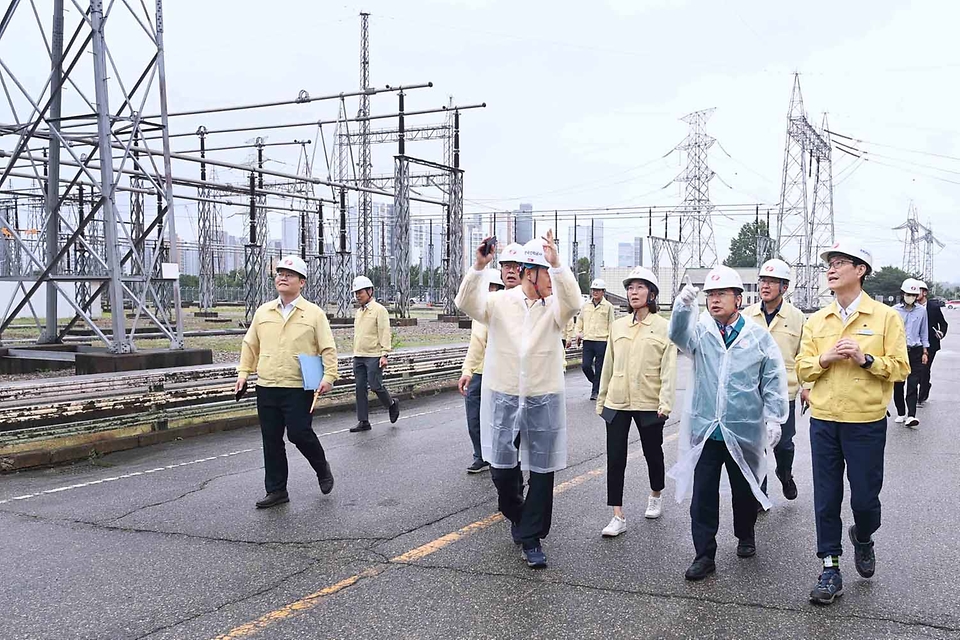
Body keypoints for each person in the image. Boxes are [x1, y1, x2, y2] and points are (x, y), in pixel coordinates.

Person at [454, 230, 580, 569]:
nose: (552, 283)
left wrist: (557, 263)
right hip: (504, 396)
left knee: (541, 469)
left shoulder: (554, 307)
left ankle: (532, 537)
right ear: (529, 274)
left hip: (543, 398)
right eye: (547, 276)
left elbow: (574, 301)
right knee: (501, 471)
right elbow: (466, 303)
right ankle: (517, 514)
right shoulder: (499, 303)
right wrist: (479, 266)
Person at [796, 240, 909, 605]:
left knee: (864, 499)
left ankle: (863, 536)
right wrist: (825, 359)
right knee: (826, 499)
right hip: (824, 420)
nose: (830, 268)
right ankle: (830, 568)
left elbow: (901, 367)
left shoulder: (886, 317)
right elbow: (801, 368)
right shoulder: (817, 320)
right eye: (828, 263)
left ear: (860, 270)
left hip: (866, 423)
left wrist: (866, 359)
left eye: (840, 262)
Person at [667, 265, 788, 581]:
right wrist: (682, 307)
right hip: (707, 429)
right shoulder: (701, 332)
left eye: (721, 294)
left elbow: (773, 378)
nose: (714, 300)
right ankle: (704, 555)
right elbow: (677, 336)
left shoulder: (758, 337)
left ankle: (745, 534)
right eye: (710, 295)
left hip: (744, 428)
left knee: (744, 489)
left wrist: (775, 418)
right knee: (703, 496)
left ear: (738, 298)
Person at [236, 256, 339, 509]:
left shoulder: (314, 314)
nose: (282, 277)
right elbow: (250, 344)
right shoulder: (263, 312)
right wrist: (243, 373)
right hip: (268, 384)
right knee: (271, 439)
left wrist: (329, 377)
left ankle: (321, 467)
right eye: (280, 273)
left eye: (289, 274)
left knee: (298, 433)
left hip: (299, 385)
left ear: (301, 282)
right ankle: (277, 490)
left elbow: (328, 348)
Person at [595, 266, 677, 536]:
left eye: (640, 287)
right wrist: (602, 399)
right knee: (615, 458)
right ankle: (617, 515)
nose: (633, 292)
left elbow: (669, 369)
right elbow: (608, 364)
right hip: (618, 400)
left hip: (649, 401)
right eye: (630, 288)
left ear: (652, 294)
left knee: (653, 452)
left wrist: (665, 402)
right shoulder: (617, 326)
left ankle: (656, 493)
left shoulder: (665, 328)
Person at [743, 258, 809, 501]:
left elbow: (805, 354)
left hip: (785, 392)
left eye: (772, 282)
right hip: (752, 392)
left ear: (784, 287)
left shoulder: (797, 317)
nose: (765, 286)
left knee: (783, 444)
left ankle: (785, 473)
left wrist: (807, 387)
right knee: (755, 445)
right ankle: (760, 494)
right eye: (763, 281)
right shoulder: (747, 316)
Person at [457, 266, 508, 474]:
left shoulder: (507, 311)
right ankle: (480, 455)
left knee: (499, 418)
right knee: (474, 416)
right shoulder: (479, 312)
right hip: (478, 372)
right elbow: (476, 343)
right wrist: (467, 370)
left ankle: (499, 455)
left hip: (499, 373)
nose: (489, 292)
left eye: (493, 287)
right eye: (486, 287)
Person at [349, 275, 399, 432]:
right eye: (356, 293)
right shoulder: (359, 312)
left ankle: (391, 404)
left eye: (360, 292)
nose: (358, 296)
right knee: (359, 388)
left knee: (375, 384)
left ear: (370, 291)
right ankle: (363, 421)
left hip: (374, 355)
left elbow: (384, 332)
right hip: (359, 355)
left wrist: (385, 354)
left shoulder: (379, 310)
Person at [892, 278, 928, 428]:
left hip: (915, 351)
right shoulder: (894, 311)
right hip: (899, 351)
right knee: (898, 385)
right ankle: (901, 412)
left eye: (914, 295)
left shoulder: (921, 311)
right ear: (902, 293)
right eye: (908, 294)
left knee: (913, 384)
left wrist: (925, 351)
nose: (911, 297)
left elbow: (924, 332)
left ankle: (911, 415)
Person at [576, 279, 615, 401]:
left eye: (598, 290)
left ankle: (595, 391)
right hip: (588, 339)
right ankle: (596, 383)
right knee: (585, 366)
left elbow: (611, 324)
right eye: (593, 290)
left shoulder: (608, 306)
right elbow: (580, 320)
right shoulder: (585, 305)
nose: (595, 292)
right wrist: (578, 333)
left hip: (602, 341)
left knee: (599, 368)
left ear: (603, 292)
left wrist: (610, 340)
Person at [916, 280, 948, 405]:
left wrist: (941, 333)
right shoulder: (912, 307)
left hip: (931, 344)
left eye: (917, 291)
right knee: (916, 371)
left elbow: (944, 324)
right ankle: (923, 385)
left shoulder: (933, 307)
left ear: (924, 293)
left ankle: (922, 395)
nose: (914, 294)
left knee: (924, 369)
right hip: (915, 344)